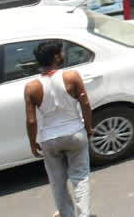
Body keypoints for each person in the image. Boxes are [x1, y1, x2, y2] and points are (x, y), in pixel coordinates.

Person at [24, 40, 94, 217]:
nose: (63, 55)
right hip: (74, 134)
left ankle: (67, 214)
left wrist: (33, 143)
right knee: (80, 178)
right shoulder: (72, 77)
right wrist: (88, 127)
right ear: (56, 57)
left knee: (57, 181)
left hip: (49, 139)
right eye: (61, 52)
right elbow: (85, 104)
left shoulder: (31, 87)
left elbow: (31, 121)